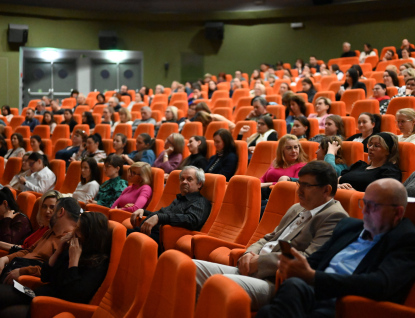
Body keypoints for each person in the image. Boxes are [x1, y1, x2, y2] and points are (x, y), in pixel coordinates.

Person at [195, 161, 349, 310]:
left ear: (326, 190)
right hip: (253, 268)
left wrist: (259, 262)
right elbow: (269, 237)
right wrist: (250, 253)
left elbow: (306, 259)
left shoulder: (335, 217)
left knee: (217, 285)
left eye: (306, 185)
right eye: (299, 183)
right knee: (192, 268)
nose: (299, 190)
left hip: (274, 282)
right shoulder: (297, 208)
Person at [257, 178, 415, 318]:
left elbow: (380, 283)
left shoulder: (407, 240)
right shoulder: (349, 227)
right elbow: (315, 260)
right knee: (272, 308)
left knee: (284, 297)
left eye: (373, 206)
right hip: (313, 295)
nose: (365, 211)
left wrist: (313, 277)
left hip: (347, 306)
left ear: (397, 212)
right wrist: (294, 264)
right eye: (364, 203)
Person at [0, 210, 111, 317]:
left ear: (89, 235)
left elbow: (74, 295)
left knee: (7, 312)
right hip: (38, 294)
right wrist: (59, 251)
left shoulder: (98, 264)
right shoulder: (71, 250)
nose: (73, 232)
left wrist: (74, 262)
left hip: (53, 306)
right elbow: (45, 276)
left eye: (78, 229)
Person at [0, 196, 81, 284]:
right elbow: (28, 251)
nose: (48, 212)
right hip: (15, 266)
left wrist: (22, 272)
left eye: (53, 209)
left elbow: (51, 271)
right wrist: (5, 259)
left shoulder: (69, 241)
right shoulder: (49, 232)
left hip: (25, 280)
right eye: (44, 206)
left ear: (60, 212)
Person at [128, 166, 212, 249]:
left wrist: (159, 217)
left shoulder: (199, 201)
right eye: (182, 179)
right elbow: (162, 214)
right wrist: (144, 211)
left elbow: (191, 219)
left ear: (199, 184)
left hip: (168, 241)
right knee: (118, 232)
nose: (184, 182)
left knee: (120, 235)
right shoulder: (180, 199)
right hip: (154, 233)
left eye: (189, 179)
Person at [0, 190, 61, 254]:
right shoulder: (42, 228)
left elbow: (28, 251)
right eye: (44, 207)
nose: (47, 211)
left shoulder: (53, 232)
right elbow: (23, 248)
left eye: (52, 207)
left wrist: (7, 219)